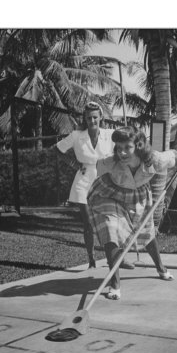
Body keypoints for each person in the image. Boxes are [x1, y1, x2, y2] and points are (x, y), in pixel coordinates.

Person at [87, 126, 177, 300]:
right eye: (118, 148)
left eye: (127, 147)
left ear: (139, 145)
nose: (122, 153)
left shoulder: (155, 160)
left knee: (146, 232)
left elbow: (173, 155)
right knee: (111, 230)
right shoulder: (108, 162)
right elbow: (97, 172)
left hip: (138, 197)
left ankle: (161, 267)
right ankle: (115, 283)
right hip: (111, 196)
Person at [56, 102, 135, 270]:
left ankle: (119, 258)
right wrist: (74, 164)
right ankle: (91, 260)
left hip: (107, 181)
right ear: (85, 118)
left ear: (101, 118)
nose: (92, 121)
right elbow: (57, 149)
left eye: (95, 117)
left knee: (114, 220)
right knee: (88, 224)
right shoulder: (77, 135)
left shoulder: (110, 134)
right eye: (89, 118)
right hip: (83, 182)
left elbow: (126, 144)